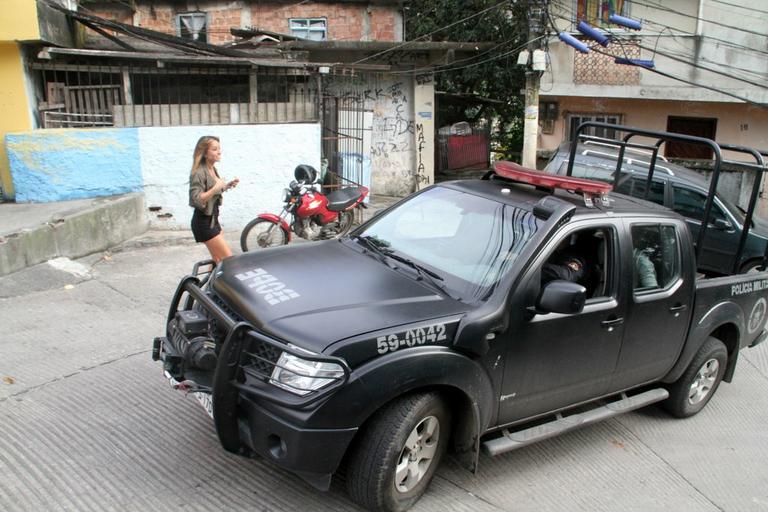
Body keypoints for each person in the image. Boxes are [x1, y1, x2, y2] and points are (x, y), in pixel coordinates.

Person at [188, 136, 239, 263]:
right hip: (203, 223)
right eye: (215, 149)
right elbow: (196, 200)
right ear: (205, 153)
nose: (219, 152)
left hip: (213, 220)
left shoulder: (212, 169)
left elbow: (213, 193)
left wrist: (226, 186)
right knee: (229, 261)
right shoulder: (199, 172)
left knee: (218, 261)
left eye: (219, 149)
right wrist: (216, 188)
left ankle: (212, 283)